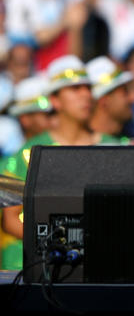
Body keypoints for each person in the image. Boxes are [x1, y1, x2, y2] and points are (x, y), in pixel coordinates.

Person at [1, 57, 125, 267]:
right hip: (41, 268)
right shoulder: (24, 154)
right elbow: (10, 219)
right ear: (55, 100)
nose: (85, 95)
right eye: (75, 89)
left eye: (88, 88)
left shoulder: (115, 149)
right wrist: (58, 243)